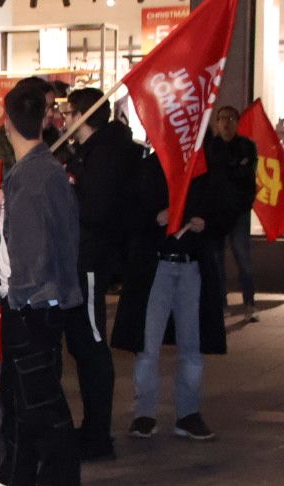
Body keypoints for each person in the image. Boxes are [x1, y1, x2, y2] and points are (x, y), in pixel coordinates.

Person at [0, 78, 83, 486]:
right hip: (28, 300)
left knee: (40, 395)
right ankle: (16, 474)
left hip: (33, 302)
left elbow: (36, 248)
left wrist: (21, 294)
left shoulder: (35, 174)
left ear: (7, 119)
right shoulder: (35, 171)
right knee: (20, 395)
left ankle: (59, 482)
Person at [112, 144, 231, 443]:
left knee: (192, 344)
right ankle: (144, 414)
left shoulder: (203, 167)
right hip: (157, 266)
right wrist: (155, 219)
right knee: (148, 345)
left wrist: (208, 223)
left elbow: (225, 208)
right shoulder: (150, 168)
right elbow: (127, 215)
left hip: (192, 266)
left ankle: (189, 413)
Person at [62, 87, 140, 462]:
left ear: (82, 114)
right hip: (83, 258)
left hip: (92, 260)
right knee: (82, 344)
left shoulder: (107, 154)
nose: (62, 118)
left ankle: (98, 434)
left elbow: (97, 209)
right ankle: (92, 427)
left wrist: (67, 190)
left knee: (92, 344)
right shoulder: (91, 153)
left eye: (67, 111)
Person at [205, 105, 260, 320]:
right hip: (217, 212)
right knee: (217, 260)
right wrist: (234, 166)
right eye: (222, 118)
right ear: (217, 123)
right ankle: (222, 303)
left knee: (243, 257)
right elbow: (216, 175)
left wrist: (234, 168)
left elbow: (245, 174)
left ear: (237, 122)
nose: (226, 123)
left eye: (231, 118)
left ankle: (249, 303)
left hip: (238, 211)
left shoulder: (246, 146)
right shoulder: (211, 147)